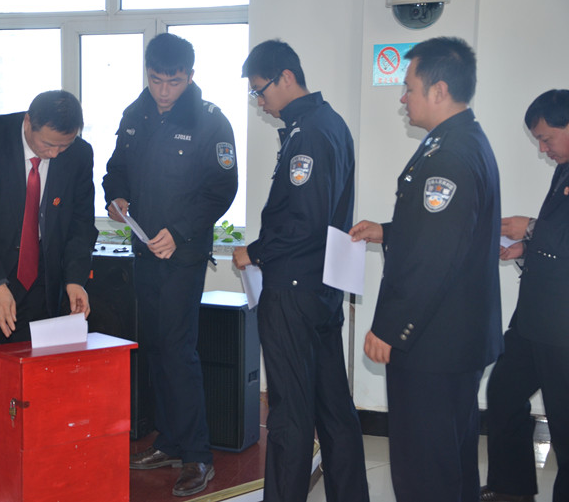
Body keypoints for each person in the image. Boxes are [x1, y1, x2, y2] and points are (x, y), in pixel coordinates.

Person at [349, 36, 503, 502]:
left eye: (409, 88)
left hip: (434, 344)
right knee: (450, 462)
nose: (403, 98)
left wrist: (390, 327)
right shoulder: (457, 141)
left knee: (424, 472)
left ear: (439, 90)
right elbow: (443, 231)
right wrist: (386, 231)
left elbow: (433, 258)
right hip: (453, 339)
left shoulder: (450, 156)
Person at [0, 90, 97, 502]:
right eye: (48, 144)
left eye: (64, 146)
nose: (55, 153)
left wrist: (74, 279)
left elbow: (81, 223)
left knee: (32, 383)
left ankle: (34, 464)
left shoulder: (78, 155)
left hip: (36, 284)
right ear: (29, 122)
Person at [231, 39, 369, 502]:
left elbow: (305, 220)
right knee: (334, 409)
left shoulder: (307, 134)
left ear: (286, 77)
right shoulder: (329, 123)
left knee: (290, 414)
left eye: (260, 90)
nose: (259, 101)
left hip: (293, 290)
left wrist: (255, 251)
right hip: (321, 287)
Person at [102, 32, 238, 497]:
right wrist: (116, 196)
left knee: (179, 350)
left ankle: (198, 455)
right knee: (155, 346)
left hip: (182, 255)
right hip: (143, 251)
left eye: (173, 82)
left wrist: (178, 232)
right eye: (156, 80)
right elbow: (116, 168)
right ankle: (170, 441)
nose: (163, 91)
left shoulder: (210, 121)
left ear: (190, 76)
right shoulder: (135, 114)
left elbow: (221, 190)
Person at [481, 89, 569, 502]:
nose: (543, 149)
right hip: (535, 318)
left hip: (562, 328)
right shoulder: (563, 169)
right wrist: (526, 247)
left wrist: (531, 228)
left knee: (564, 423)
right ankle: (510, 489)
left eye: (547, 138)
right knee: (502, 392)